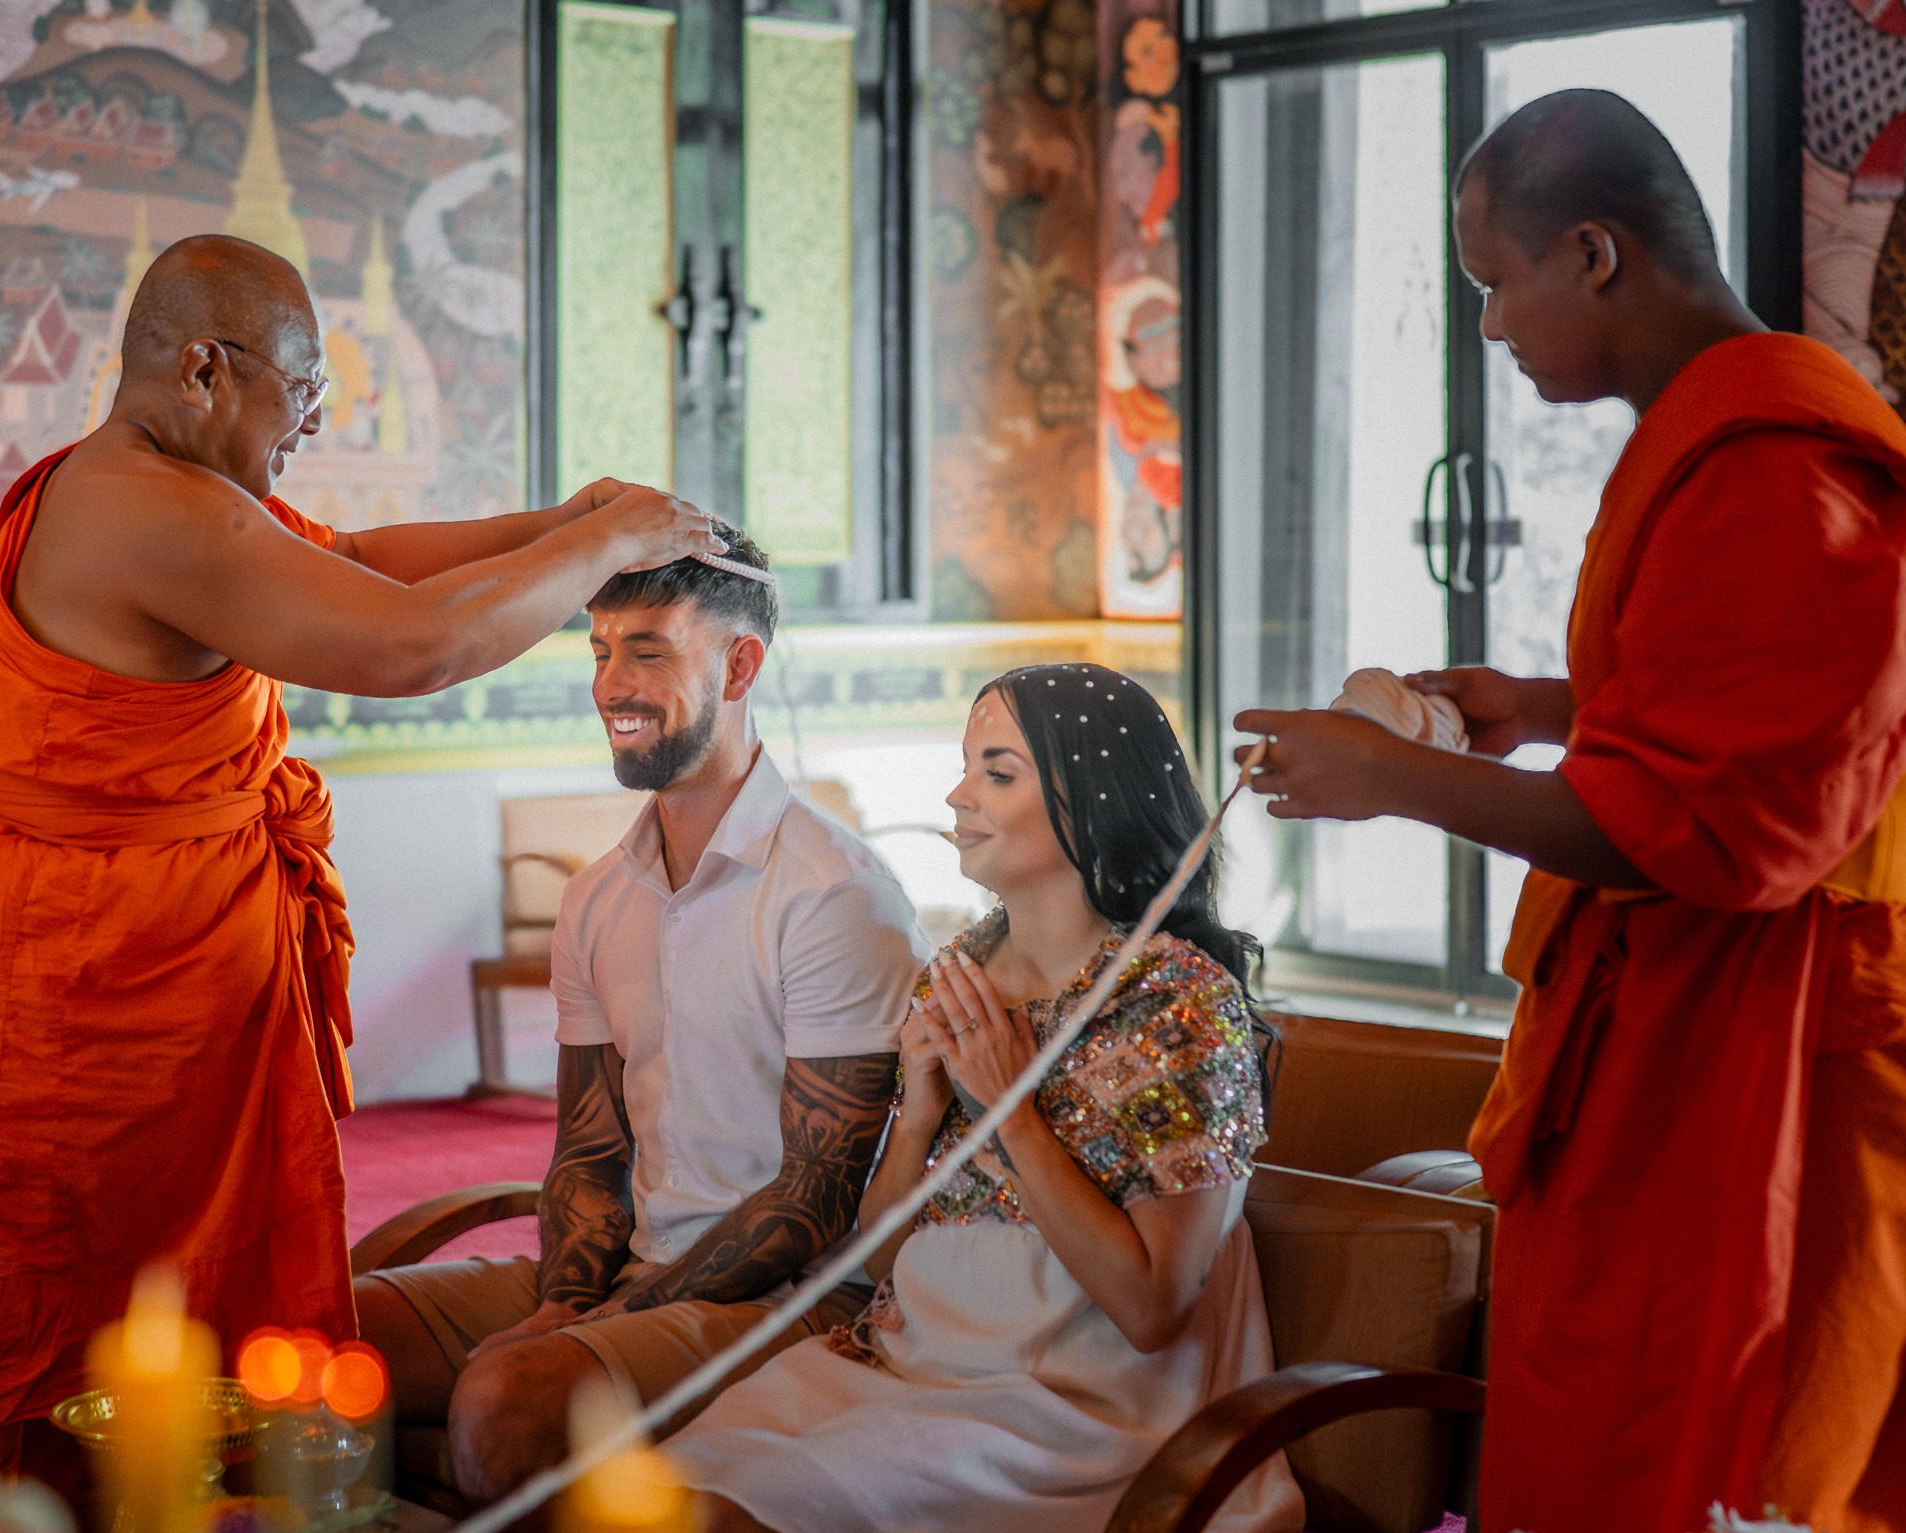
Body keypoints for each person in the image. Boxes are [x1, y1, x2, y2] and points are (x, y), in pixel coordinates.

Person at [0, 234, 720, 1496]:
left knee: (169, 1317)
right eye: (304, 392)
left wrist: (568, 521)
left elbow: (357, 565)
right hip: (67, 997)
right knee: (49, 1338)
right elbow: (407, 645)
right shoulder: (143, 511)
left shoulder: (167, 486)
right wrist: (592, 554)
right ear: (206, 370)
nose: (315, 422)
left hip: (137, 967)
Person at [1232, 91, 1906, 1530]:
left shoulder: (1780, 464)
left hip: (1742, 1064)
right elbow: (1723, 717)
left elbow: (1726, 829)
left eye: (1497, 284)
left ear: (1594, 253)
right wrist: (1541, 708)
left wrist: (1397, 777)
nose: (1489, 328)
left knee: (1686, 1449)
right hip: (1660, 1041)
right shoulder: (1716, 435)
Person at [354, 529, 930, 1504]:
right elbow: (588, 1148)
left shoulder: (834, 892)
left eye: (648, 650)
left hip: (794, 1296)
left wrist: (592, 1323)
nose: (609, 684)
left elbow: (815, 1201)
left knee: (509, 1396)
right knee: (323, 1326)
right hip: (634, 1271)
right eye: (599, 649)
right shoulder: (595, 897)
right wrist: (573, 1298)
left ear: (740, 664)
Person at [668, 664, 1302, 1533]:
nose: (958, 795)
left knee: (731, 1514)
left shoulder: (1177, 1003)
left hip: (1068, 1411)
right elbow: (880, 1265)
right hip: (911, 1367)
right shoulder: (960, 975)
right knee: (643, 1497)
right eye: (967, 766)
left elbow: (1154, 1311)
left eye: (997, 772)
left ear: (1091, 800)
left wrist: (1009, 1111)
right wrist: (922, 1111)